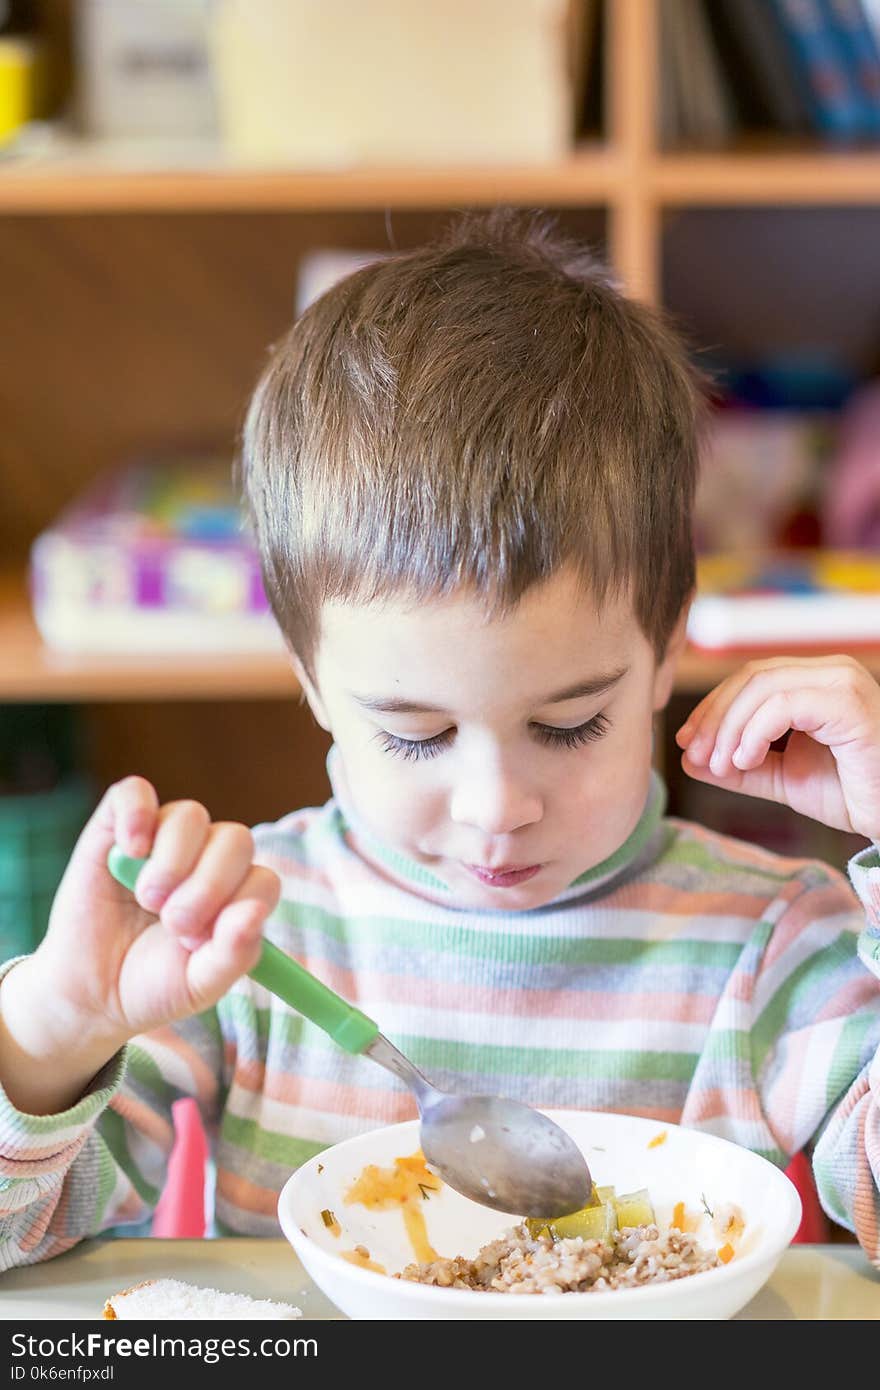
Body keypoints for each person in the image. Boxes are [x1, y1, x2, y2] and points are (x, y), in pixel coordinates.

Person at [1, 211, 878, 1269]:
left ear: (663, 651)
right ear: (310, 677)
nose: (493, 804)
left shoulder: (767, 950)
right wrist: (51, 1032)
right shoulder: (240, 945)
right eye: (416, 735)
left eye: (569, 722)